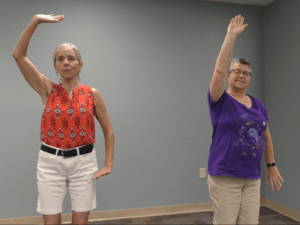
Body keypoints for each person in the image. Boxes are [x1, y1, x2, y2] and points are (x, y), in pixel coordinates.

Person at [12, 14, 115, 225]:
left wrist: (108, 164)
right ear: (55, 66)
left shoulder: (92, 94)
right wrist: (35, 21)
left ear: (80, 64)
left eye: (71, 58)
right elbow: (18, 56)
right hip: (50, 162)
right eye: (61, 59)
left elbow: (108, 131)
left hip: (84, 162)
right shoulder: (48, 90)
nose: (66, 62)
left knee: (80, 222)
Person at [207, 15, 284, 224]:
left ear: (250, 78)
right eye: (237, 72)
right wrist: (230, 37)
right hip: (225, 176)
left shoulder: (258, 105)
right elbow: (218, 69)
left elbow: (266, 137)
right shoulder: (220, 100)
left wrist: (271, 164)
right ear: (229, 76)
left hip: (251, 177)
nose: (241, 76)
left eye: (246, 73)